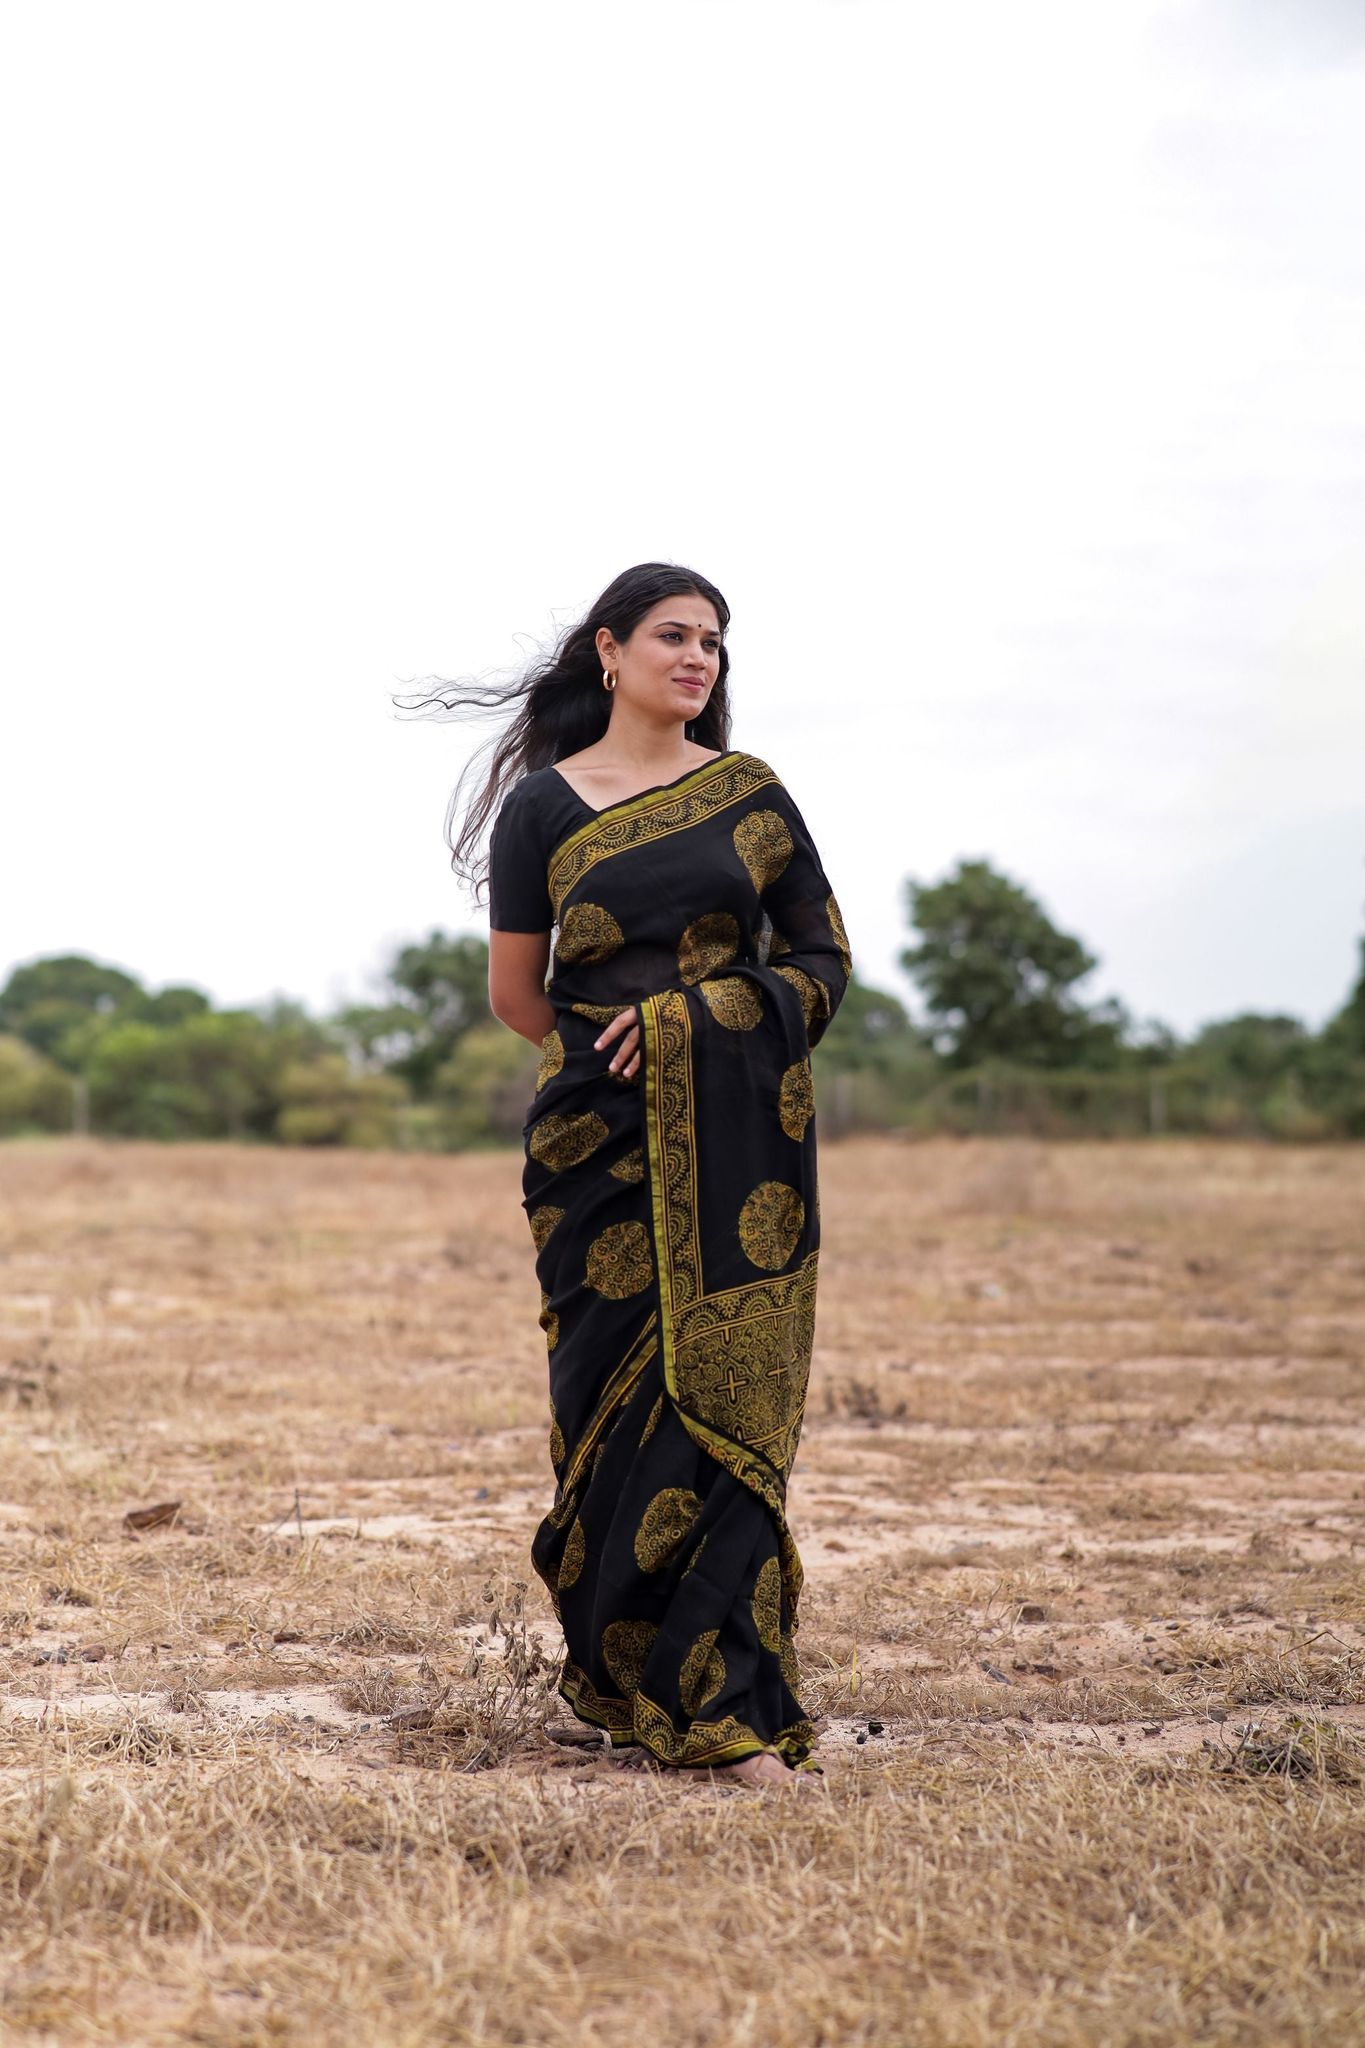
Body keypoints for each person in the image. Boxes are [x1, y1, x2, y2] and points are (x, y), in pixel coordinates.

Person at [439, 562, 849, 1786]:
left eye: (714, 642)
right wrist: (624, 1071)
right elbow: (521, 995)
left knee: (713, 1404)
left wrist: (694, 1029)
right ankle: (624, 1682)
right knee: (603, 1407)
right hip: (595, 1151)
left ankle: (720, 1704)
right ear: (608, 652)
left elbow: (824, 956)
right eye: (674, 635)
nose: (699, 657)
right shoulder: (543, 810)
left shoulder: (750, 798)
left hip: (738, 1146)